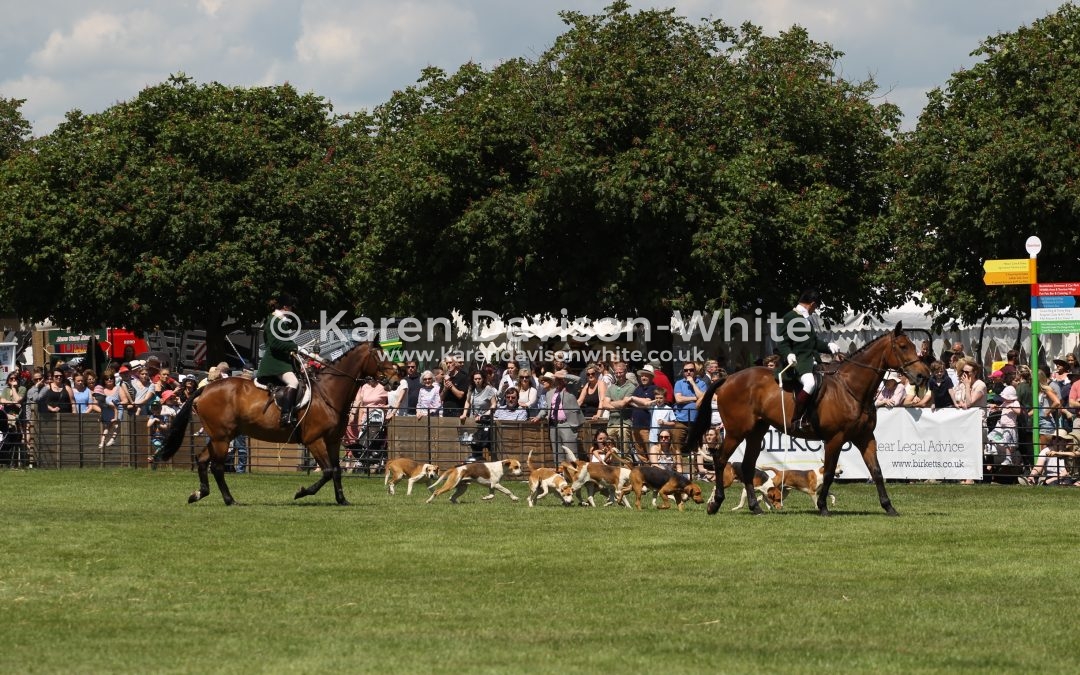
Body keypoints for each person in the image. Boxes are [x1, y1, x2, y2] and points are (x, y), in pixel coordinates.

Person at [776, 288, 841, 429]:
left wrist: (828, 346)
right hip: (797, 362)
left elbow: (813, 343)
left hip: (811, 360)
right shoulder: (790, 317)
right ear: (812, 304)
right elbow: (781, 341)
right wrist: (788, 354)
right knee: (810, 383)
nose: (815, 310)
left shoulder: (806, 320)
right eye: (815, 307)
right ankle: (796, 419)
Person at [255, 293, 312, 427]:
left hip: (280, 360)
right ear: (286, 307)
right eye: (291, 308)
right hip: (275, 362)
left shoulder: (277, 321)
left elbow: (282, 342)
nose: (292, 311)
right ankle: (285, 415)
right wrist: (295, 347)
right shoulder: (275, 321)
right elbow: (275, 344)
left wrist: (295, 351)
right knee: (293, 383)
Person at [540, 370, 584, 464]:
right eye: (557, 379)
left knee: (571, 453)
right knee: (557, 453)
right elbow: (547, 408)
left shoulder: (571, 389)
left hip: (567, 424)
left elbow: (579, 380)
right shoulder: (549, 393)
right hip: (553, 425)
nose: (559, 380)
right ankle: (560, 475)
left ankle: (574, 476)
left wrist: (564, 375)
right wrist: (538, 416)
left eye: (561, 379)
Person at [600, 361, 636, 460]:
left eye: (620, 372)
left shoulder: (631, 387)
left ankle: (626, 467)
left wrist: (611, 403)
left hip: (624, 422)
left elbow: (623, 403)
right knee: (608, 448)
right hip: (611, 422)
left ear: (625, 372)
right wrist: (617, 405)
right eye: (616, 373)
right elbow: (604, 404)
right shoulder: (611, 387)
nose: (618, 375)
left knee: (625, 450)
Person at [625, 365, 659, 464]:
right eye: (642, 376)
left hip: (647, 425)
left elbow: (647, 401)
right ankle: (645, 469)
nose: (643, 378)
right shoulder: (638, 388)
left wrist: (633, 399)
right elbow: (631, 402)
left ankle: (653, 467)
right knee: (639, 450)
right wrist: (641, 403)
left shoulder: (654, 388)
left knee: (650, 449)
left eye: (646, 376)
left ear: (651, 377)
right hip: (635, 425)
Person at [461, 370, 498, 460]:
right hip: (474, 419)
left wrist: (484, 415)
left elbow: (494, 404)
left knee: (484, 444)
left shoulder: (488, 389)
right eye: (475, 379)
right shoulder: (471, 388)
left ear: (483, 379)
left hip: (485, 420)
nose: (477, 381)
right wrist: (464, 413)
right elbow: (468, 401)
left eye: (479, 379)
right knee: (473, 443)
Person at [672, 361, 707, 452]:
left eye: (691, 370)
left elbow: (702, 398)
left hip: (697, 421)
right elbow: (678, 399)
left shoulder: (702, 383)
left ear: (695, 371)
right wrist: (695, 398)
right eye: (686, 370)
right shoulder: (679, 383)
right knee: (676, 447)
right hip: (681, 421)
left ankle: (697, 466)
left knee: (697, 448)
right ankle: (679, 466)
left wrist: (692, 383)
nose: (688, 372)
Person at [646, 387, 675, 467]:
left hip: (664, 437)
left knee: (663, 455)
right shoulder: (653, 408)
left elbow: (674, 423)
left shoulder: (668, 409)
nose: (659, 400)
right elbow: (647, 404)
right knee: (653, 455)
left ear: (665, 398)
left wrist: (665, 423)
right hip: (653, 436)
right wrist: (653, 401)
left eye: (661, 398)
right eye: (657, 398)